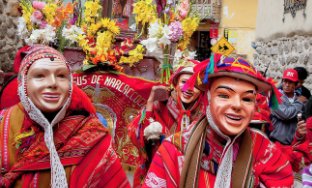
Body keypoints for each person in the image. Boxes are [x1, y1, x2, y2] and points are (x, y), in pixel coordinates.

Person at [143, 55, 294, 187]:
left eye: (247, 99)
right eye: (224, 95)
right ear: (208, 98)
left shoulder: (266, 152)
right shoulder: (174, 150)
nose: (236, 105)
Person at [0, 45, 130, 187]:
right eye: (40, 76)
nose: (53, 83)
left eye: (61, 76)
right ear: (23, 84)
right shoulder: (4, 124)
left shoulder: (92, 134)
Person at [128, 60, 206, 187]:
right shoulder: (160, 105)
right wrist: (150, 103)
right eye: (184, 82)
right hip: (158, 170)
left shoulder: (204, 113)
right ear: (175, 84)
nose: (189, 88)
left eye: (195, 84)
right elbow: (134, 136)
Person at [270, 68, 305, 145]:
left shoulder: (298, 99)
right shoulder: (274, 98)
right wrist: (299, 104)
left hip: (293, 143)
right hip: (276, 142)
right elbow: (286, 114)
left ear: (296, 84)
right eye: (285, 81)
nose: (287, 85)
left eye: (290, 82)